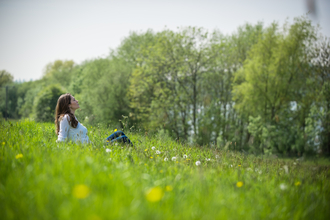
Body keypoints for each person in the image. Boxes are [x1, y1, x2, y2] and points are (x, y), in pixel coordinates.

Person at [55, 93, 132, 145]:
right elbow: (62, 137)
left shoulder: (73, 117)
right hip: (90, 148)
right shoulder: (66, 118)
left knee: (119, 133)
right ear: (68, 105)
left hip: (92, 145)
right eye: (74, 100)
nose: (77, 101)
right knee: (123, 138)